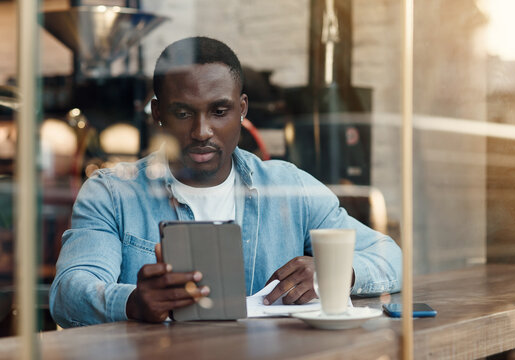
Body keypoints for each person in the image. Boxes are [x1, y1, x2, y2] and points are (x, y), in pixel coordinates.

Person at [50, 37, 402, 327]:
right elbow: (68, 292)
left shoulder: (289, 188)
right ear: (158, 114)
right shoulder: (112, 194)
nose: (202, 132)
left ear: (242, 108)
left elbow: (390, 258)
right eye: (183, 112)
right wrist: (132, 302)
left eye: (219, 111)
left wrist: (335, 274)